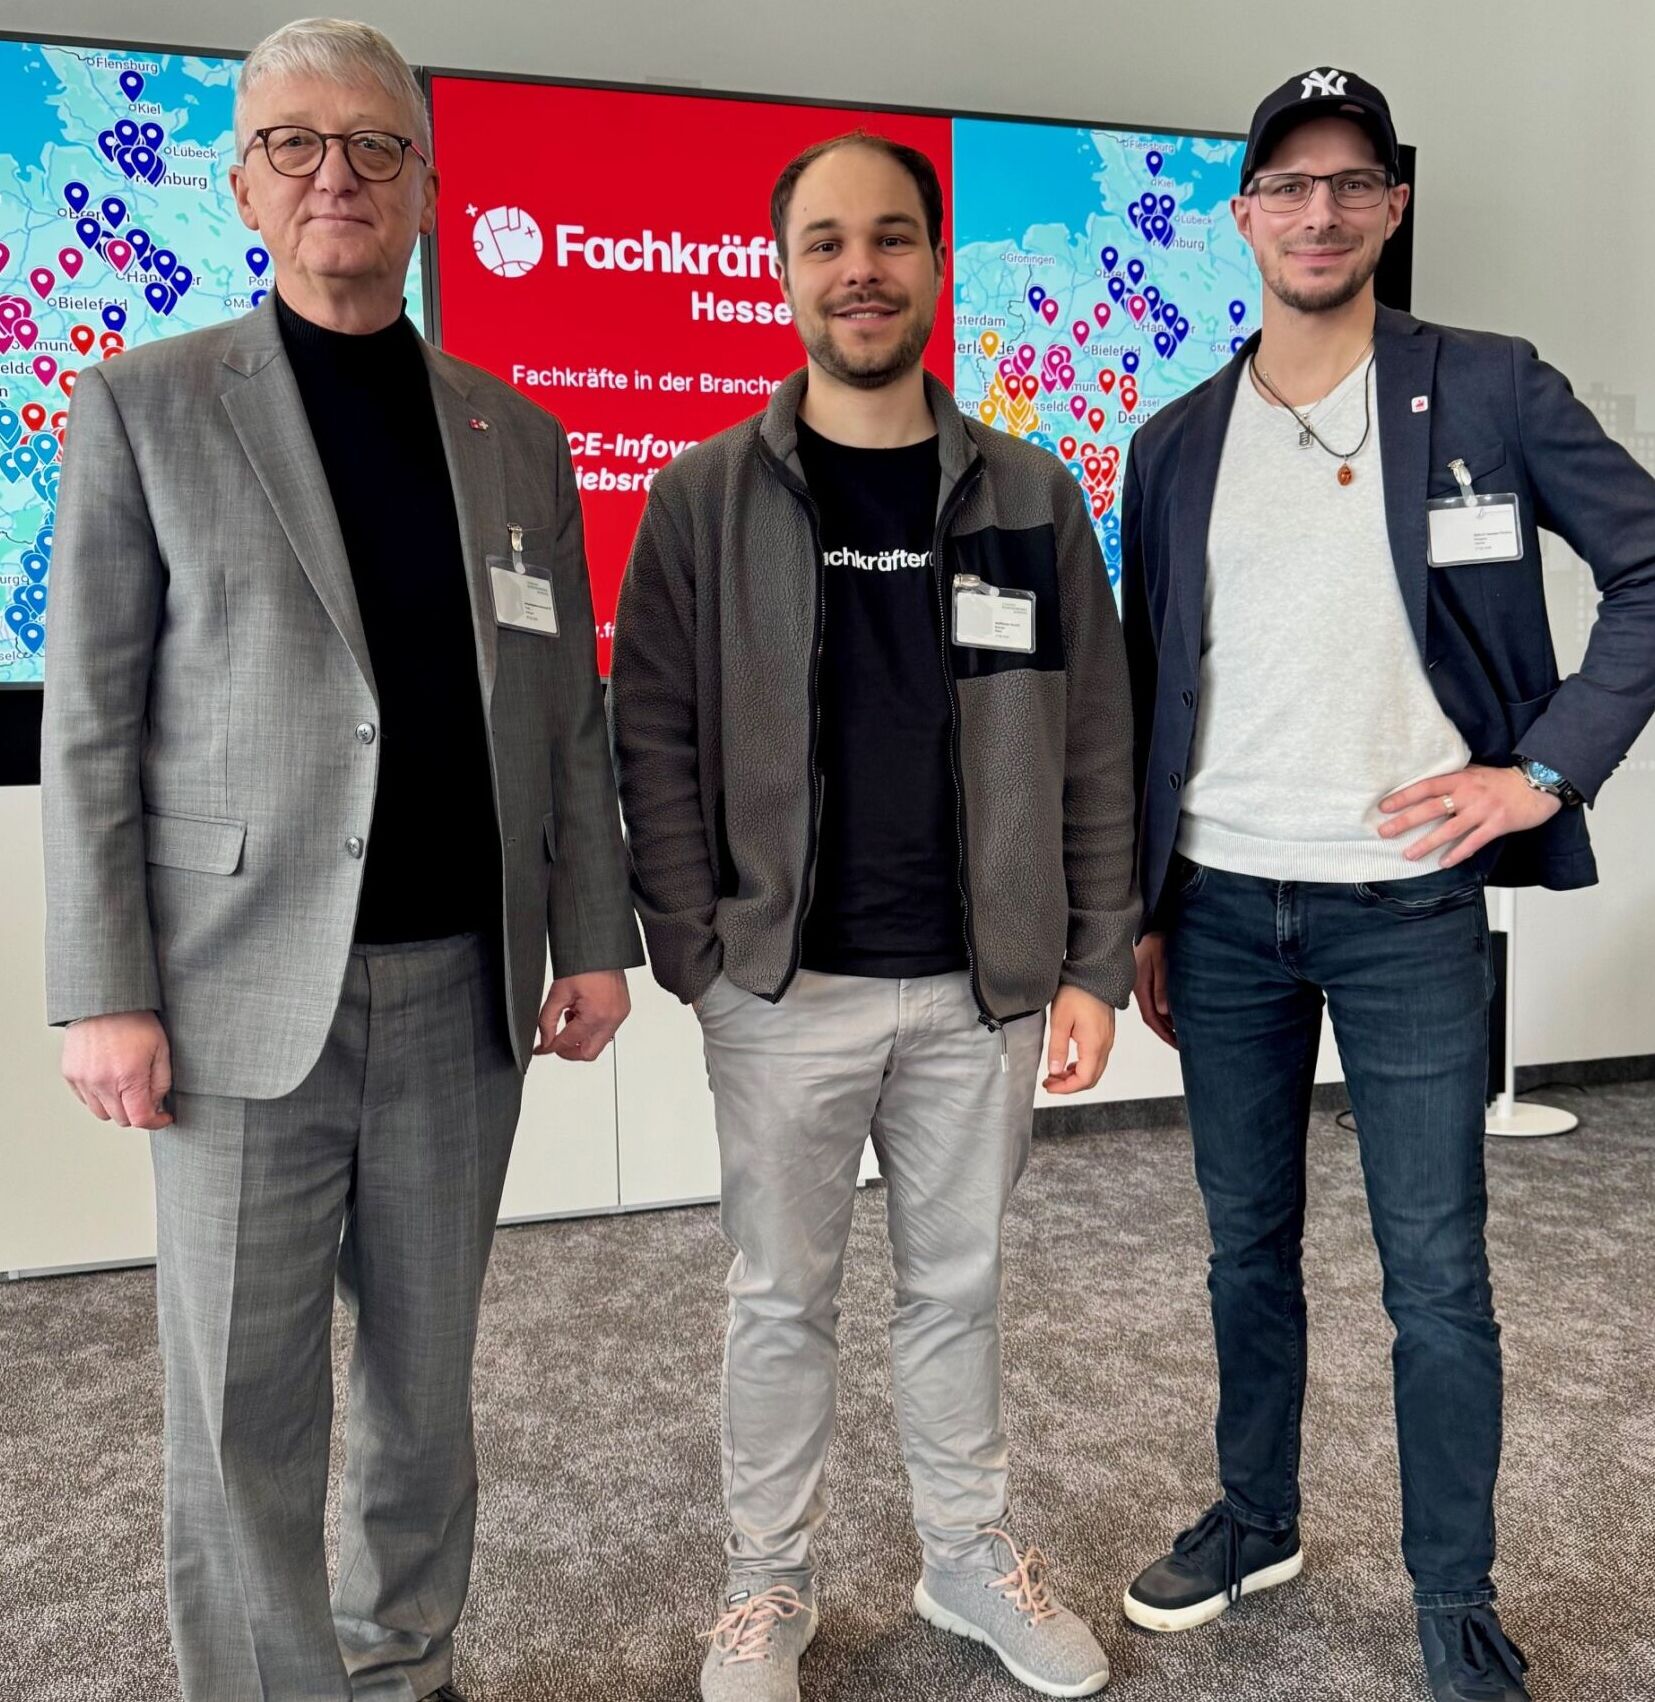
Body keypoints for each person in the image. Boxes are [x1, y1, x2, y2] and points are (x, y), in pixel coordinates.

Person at [40, 19, 642, 1700]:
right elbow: (91, 721)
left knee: (424, 1388)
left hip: (463, 993)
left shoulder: (518, 435)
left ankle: (403, 1662)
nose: (336, 174)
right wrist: (103, 989)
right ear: (242, 185)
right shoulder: (147, 405)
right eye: (294, 144)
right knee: (243, 1400)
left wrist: (593, 933)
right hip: (236, 997)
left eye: (375, 144)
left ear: (428, 188)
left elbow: (564, 713)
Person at [1119, 66, 1655, 1702]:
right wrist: (1141, 909)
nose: (1321, 211)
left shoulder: (1487, 387)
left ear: (1393, 207)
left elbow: (1647, 565)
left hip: (1409, 908)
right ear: (1244, 215)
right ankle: (1256, 1515)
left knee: (1436, 1273)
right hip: (1221, 907)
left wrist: (1539, 770)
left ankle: (1454, 1595)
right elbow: (1149, 689)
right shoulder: (1173, 441)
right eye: (1289, 185)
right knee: (1244, 1244)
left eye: (1353, 182)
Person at [610, 131, 1139, 1700]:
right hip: (783, 986)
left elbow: (1094, 736)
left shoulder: (1032, 492)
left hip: (982, 989)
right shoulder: (704, 496)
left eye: (893, 237)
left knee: (956, 1292)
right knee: (780, 1299)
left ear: (935, 264)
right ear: (783, 273)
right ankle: (765, 1588)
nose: (861, 269)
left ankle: (966, 1556)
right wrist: (695, 946)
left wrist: (1092, 959)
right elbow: (652, 731)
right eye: (827, 241)